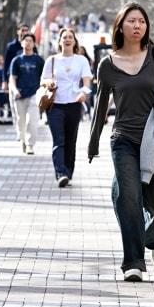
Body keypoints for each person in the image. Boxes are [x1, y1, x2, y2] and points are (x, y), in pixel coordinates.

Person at [87, 3, 154, 282]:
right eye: (132, 21)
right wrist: (93, 143)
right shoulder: (107, 64)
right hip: (123, 140)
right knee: (129, 197)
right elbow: (101, 105)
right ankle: (133, 262)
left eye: (142, 21)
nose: (138, 25)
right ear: (120, 26)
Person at [41, 27, 92, 187]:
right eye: (64, 37)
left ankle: (68, 172)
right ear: (60, 41)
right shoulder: (52, 60)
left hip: (74, 104)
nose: (68, 40)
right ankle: (61, 173)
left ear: (75, 41)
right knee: (59, 140)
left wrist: (84, 93)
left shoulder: (81, 60)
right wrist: (48, 82)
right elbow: (42, 80)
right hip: (55, 104)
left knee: (71, 141)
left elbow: (86, 81)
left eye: (70, 37)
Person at [7, 32, 44, 154]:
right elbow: (12, 78)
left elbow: (44, 77)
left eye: (30, 41)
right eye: (26, 40)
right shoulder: (16, 60)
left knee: (31, 120)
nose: (28, 43)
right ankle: (22, 140)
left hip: (34, 93)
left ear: (34, 44)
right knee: (20, 121)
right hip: (20, 94)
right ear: (22, 43)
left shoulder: (39, 60)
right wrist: (15, 90)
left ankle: (30, 144)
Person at [3, 24, 30, 137]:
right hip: (14, 79)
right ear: (18, 31)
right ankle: (19, 131)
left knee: (28, 107)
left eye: (26, 30)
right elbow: (6, 65)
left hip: (28, 80)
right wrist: (5, 81)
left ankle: (26, 131)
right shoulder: (11, 47)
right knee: (15, 107)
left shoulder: (32, 45)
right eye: (22, 30)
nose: (24, 32)